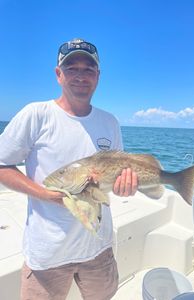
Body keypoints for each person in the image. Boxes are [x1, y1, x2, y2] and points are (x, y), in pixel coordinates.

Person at [0, 38, 137, 300]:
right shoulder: (36, 114)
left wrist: (124, 188)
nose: (81, 76)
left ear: (98, 75)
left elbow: (111, 179)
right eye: (72, 68)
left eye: (89, 69)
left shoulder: (110, 122)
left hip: (99, 248)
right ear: (58, 74)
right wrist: (44, 194)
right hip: (48, 254)